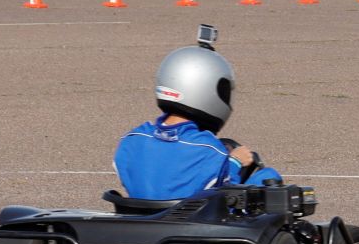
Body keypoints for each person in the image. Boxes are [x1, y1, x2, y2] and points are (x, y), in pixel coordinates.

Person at [114, 31, 282, 199]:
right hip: (188, 222)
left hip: (139, 219)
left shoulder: (132, 139)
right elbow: (226, 193)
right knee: (268, 177)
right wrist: (234, 162)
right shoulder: (209, 150)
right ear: (205, 89)